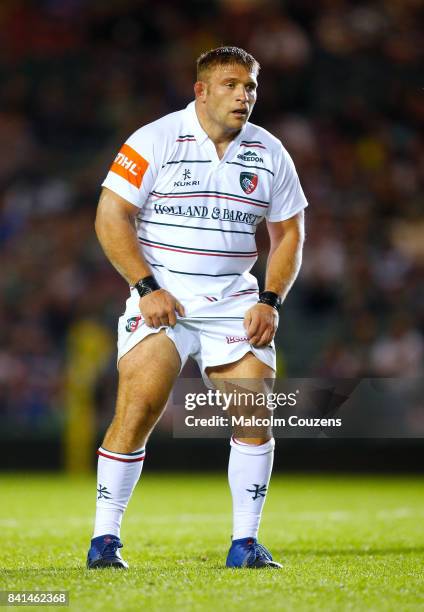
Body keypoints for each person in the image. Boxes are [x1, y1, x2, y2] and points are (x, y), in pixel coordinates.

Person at [87, 46, 307, 570]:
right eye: (232, 84)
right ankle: (104, 540)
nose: (244, 95)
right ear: (201, 91)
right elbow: (110, 216)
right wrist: (146, 287)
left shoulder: (270, 151)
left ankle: (245, 544)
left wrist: (271, 300)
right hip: (164, 298)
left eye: (251, 86)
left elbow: (289, 234)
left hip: (233, 301)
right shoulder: (155, 139)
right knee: (137, 410)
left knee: (254, 415)